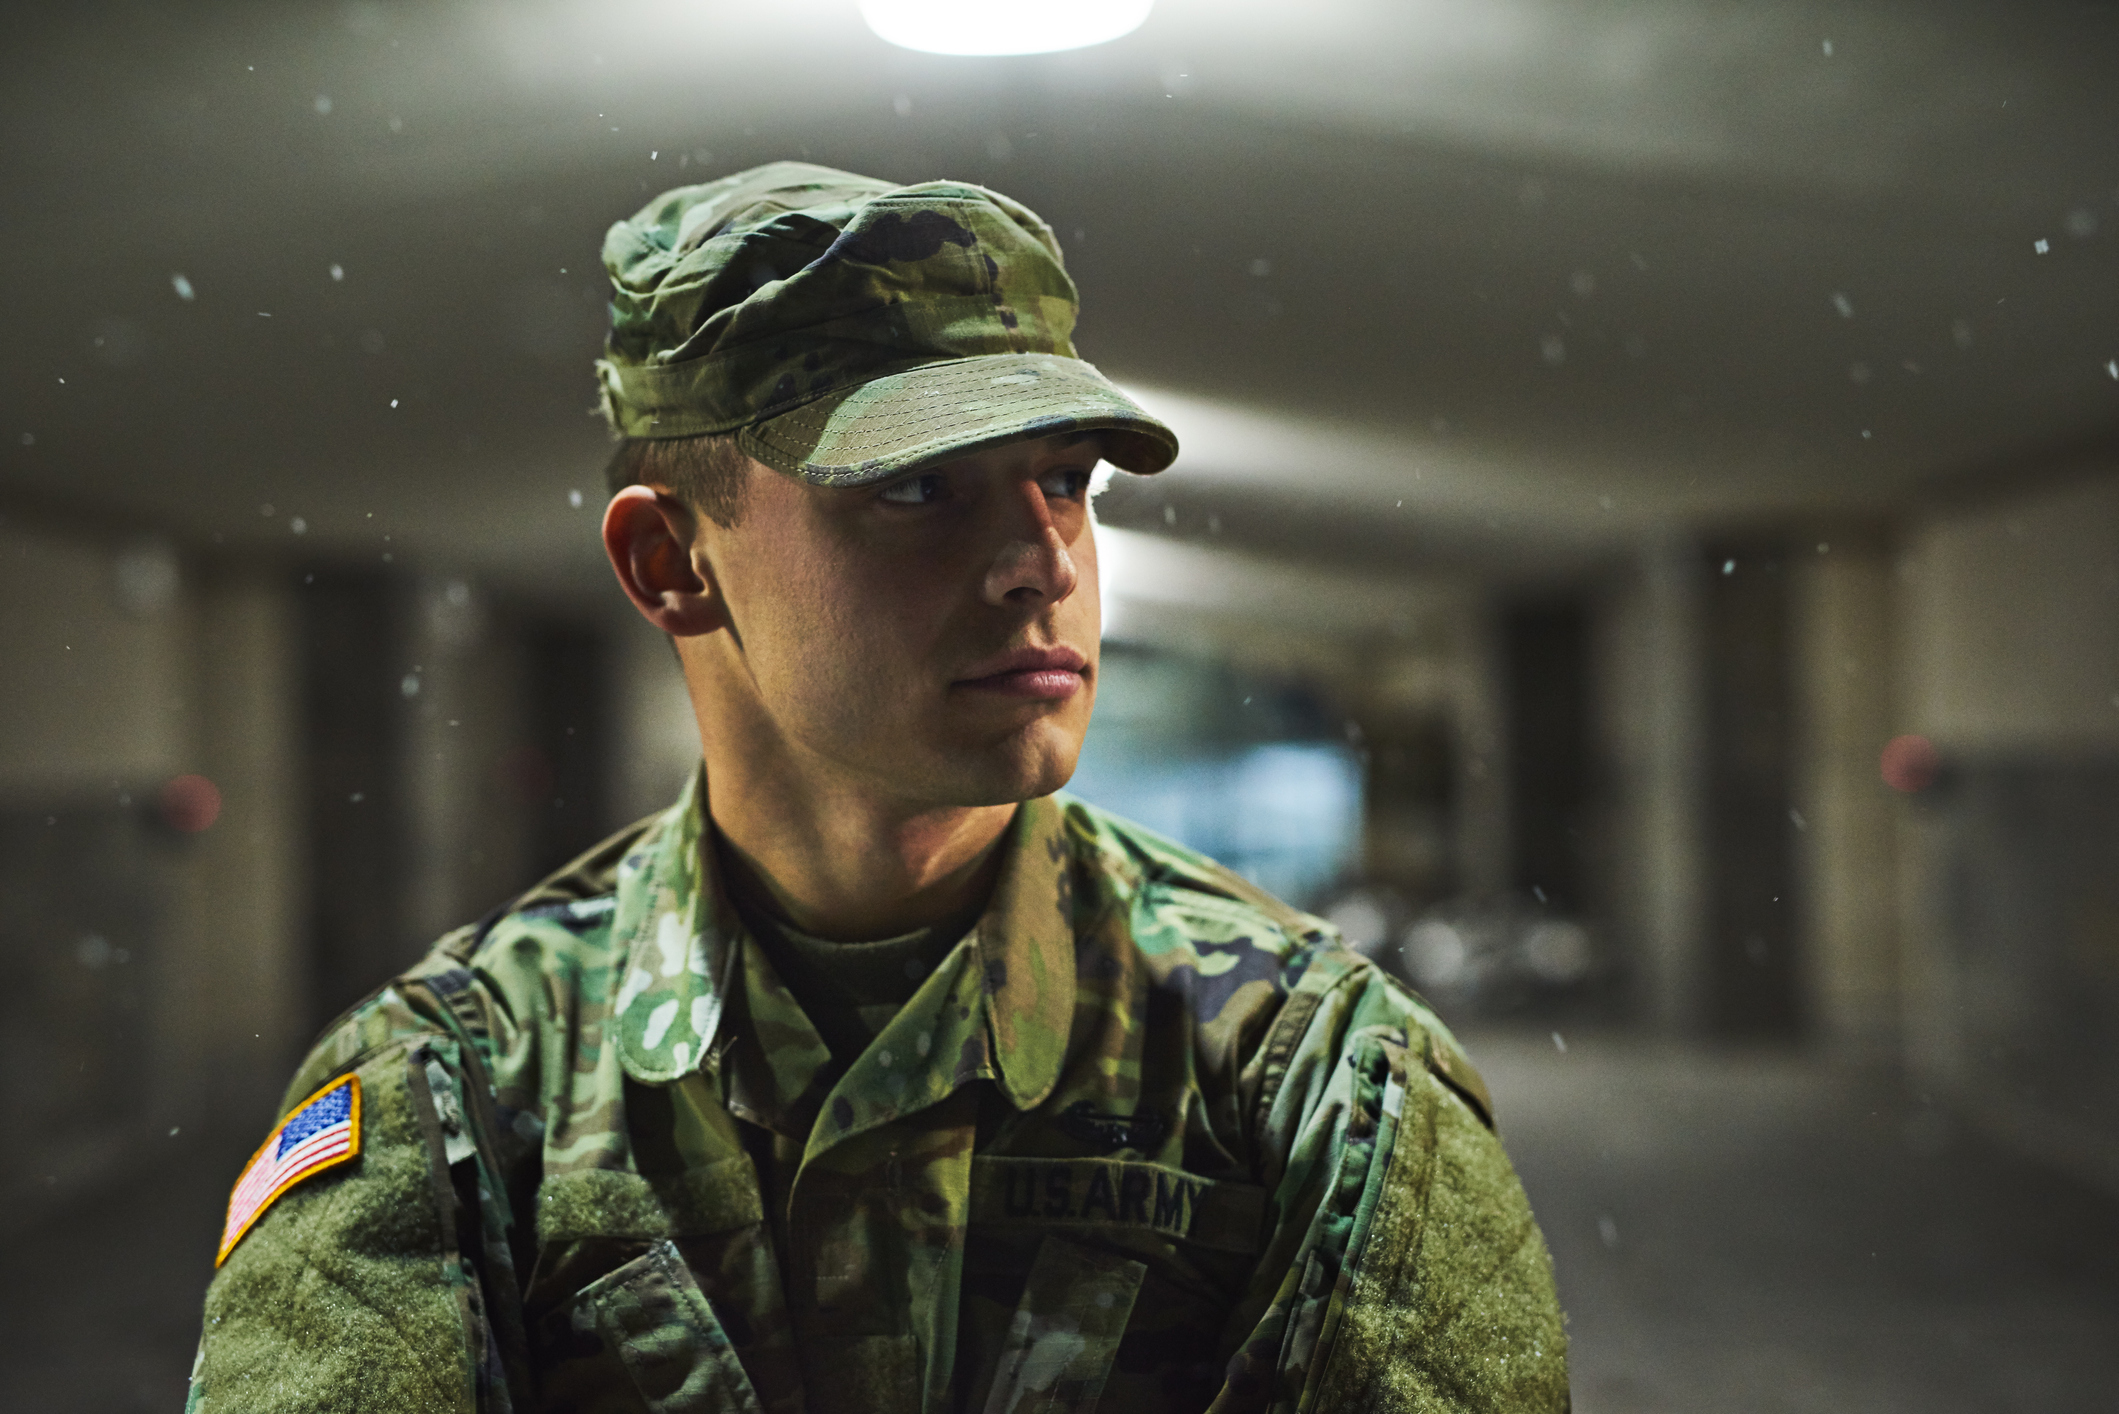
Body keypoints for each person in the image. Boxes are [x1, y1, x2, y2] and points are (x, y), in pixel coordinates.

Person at [187, 162, 1569, 1413]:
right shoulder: (460, 1100)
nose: (1046, 561)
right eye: (919, 491)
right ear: (672, 564)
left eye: (1065, 481)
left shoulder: (1309, 1079)